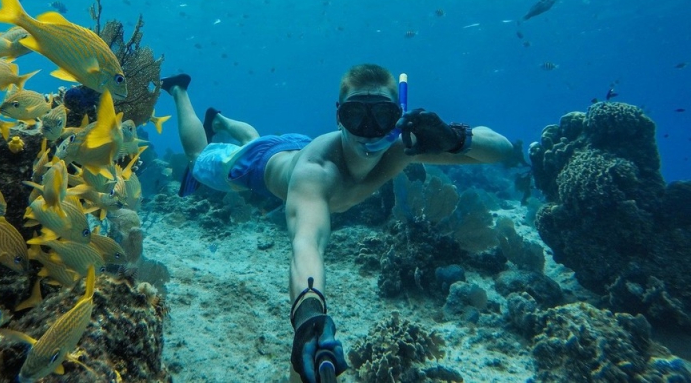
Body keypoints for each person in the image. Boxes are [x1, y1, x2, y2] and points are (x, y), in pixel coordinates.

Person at [160, 64, 513, 383]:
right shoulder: (315, 174)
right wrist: (309, 314)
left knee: (256, 138)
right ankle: (179, 90)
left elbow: (501, 149)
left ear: (398, 116)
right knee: (197, 160)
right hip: (257, 165)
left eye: (382, 116)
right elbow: (307, 241)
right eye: (356, 115)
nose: (369, 133)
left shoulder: (403, 146)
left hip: (295, 147)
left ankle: (221, 120)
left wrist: (455, 139)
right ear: (338, 117)